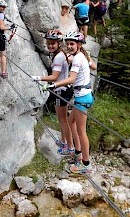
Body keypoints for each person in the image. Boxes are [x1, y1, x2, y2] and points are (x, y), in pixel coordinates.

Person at [43, 31, 97, 174]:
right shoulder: (82, 56)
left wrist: (54, 85)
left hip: (82, 98)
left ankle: (86, 164)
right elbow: (94, 67)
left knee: (81, 131)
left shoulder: (78, 59)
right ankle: (77, 154)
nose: (69, 46)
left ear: (79, 44)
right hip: (84, 96)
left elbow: (72, 79)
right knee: (71, 121)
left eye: (72, 44)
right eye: (67, 44)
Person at [31, 30, 74, 156]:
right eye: (49, 43)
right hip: (63, 89)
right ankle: (64, 141)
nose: (50, 46)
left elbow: (54, 77)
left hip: (62, 90)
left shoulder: (59, 57)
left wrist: (38, 78)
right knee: (63, 119)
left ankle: (69, 146)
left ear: (58, 44)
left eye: (53, 44)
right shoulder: (60, 54)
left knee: (63, 120)